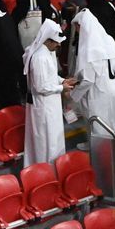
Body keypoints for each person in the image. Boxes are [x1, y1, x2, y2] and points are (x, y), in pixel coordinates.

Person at [67, 0, 115, 134]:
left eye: (78, 27)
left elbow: (88, 80)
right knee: (113, 127)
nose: (77, 31)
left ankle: (107, 156)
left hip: (101, 93)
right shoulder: (108, 40)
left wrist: (73, 96)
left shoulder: (89, 47)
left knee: (101, 130)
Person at [22, 19, 76, 168]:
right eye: (56, 42)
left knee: (54, 139)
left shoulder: (49, 52)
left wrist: (63, 80)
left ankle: (56, 169)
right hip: (43, 107)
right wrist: (61, 88)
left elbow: (51, 75)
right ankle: (45, 171)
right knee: (46, 142)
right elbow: (41, 86)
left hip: (51, 104)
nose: (59, 45)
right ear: (48, 40)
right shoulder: (39, 57)